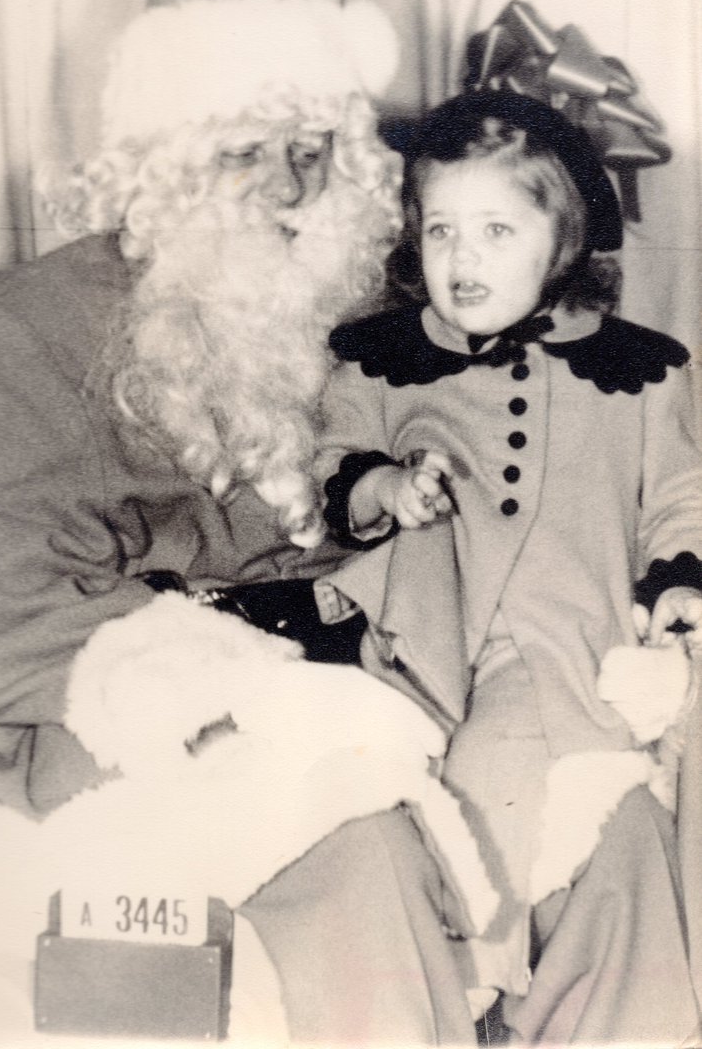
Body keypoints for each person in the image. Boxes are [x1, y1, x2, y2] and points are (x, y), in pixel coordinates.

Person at [0, 0, 485, 1045]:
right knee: (357, 852)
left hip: (345, 690)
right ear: (161, 164)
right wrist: (257, 696)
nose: (286, 191)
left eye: (311, 154)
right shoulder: (11, 336)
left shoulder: (367, 315)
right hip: (96, 725)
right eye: (242, 155)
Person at [316, 87, 702, 1042]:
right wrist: (384, 493)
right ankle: (474, 1005)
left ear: (560, 236)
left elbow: (678, 496)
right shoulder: (377, 361)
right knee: (464, 842)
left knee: (615, 853)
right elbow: (334, 471)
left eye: (495, 230)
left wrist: (679, 581)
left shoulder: (643, 368)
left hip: (585, 648)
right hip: (437, 657)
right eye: (440, 230)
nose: (462, 259)